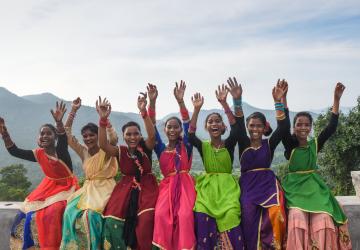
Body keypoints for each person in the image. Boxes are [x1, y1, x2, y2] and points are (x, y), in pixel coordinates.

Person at [281, 82, 352, 249]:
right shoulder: (290, 145)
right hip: (294, 190)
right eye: (299, 124)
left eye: (307, 124)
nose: (303, 127)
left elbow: (331, 128)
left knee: (324, 219)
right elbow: (283, 127)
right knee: (296, 218)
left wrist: (336, 99)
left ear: (311, 127)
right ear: (294, 127)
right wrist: (283, 98)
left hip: (314, 189)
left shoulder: (315, 144)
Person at [0, 101, 79, 249]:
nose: (44, 136)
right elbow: (14, 151)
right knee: (25, 212)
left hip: (66, 187)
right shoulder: (38, 154)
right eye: (42, 133)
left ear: (54, 137)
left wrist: (59, 121)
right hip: (48, 186)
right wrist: (4, 133)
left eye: (48, 133)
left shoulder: (60, 150)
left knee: (51, 212)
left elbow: (63, 136)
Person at [97, 94, 159, 250]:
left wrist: (144, 112)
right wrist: (103, 120)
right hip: (124, 189)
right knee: (113, 219)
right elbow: (103, 144)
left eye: (136, 133)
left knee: (146, 219)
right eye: (129, 134)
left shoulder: (146, 147)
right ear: (123, 137)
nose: (133, 137)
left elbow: (152, 135)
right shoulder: (120, 151)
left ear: (140, 135)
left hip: (147, 188)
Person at [188, 83, 244, 249]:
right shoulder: (203, 146)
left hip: (227, 190)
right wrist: (196, 110)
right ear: (206, 127)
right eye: (210, 122)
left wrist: (225, 104)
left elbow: (237, 128)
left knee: (232, 216)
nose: (214, 124)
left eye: (218, 121)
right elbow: (191, 136)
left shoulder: (229, 143)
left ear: (222, 126)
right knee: (201, 216)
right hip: (207, 191)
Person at [60, 97, 119, 249]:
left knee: (91, 215)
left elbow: (114, 138)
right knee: (68, 212)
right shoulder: (83, 152)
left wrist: (104, 119)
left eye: (92, 135)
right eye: (85, 136)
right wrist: (73, 110)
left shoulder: (105, 150)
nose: (88, 138)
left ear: (98, 136)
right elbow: (66, 134)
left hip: (105, 188)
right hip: (87, 190)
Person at [236, 78, 287, 249]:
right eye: (252, 126)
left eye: (259, 126)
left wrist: (278, 102)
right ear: (247, 127)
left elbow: (283, 128)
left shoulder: (269, 144)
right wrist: (237, 101)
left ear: (264, 128)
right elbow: (237, 125)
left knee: (276, 213)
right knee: (248, 219)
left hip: (267, 185)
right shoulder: (243, 142)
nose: (255, 129)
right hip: (248, 186)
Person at [149, 82, 196, 249]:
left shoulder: (187, 145)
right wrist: (152, 102)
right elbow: (151, 126)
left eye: (176, 127)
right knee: (161, 215)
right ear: (165, 129)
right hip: (167, 187)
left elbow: (188, 124)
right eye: (169, 127)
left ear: (180, 130)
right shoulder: (160, 147)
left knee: (184, 215)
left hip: (185, 186)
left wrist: (181, 101)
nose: (173, 130)